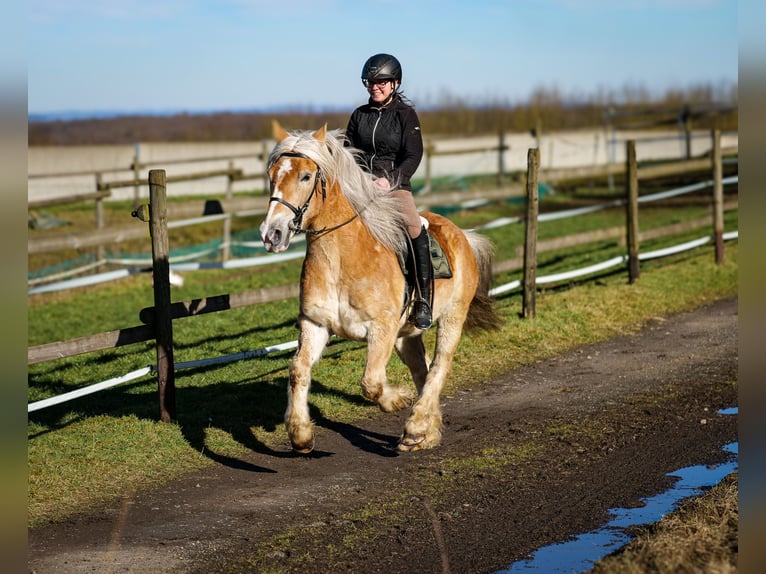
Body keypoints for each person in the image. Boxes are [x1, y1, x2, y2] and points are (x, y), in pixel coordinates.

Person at [345, 53, 432, 329]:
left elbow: (413, 155)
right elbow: (348, 153)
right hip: (361, 186)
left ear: (394, 83)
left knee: (413, 227)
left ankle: (423, 300)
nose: (375, 87)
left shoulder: (406, 115)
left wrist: (390, 180)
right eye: (371, 82)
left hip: (394, 186)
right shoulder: (359, 115)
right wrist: (359, 179)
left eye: (381, 81)